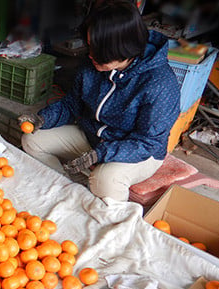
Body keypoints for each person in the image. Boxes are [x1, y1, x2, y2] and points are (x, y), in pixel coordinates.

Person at [18, 0, 180, 201]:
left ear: (123, 49)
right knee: (32, 139)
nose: (91, 55)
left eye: (99, 52)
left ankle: (116, 218)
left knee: (104, 180)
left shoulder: (160, 83)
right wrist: (42, 119)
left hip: (139, 153)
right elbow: (72, 105)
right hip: (93, 137)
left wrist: (101, 154)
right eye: (90, 46)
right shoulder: (92, 63)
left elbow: (147, 142)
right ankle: (66, 191)